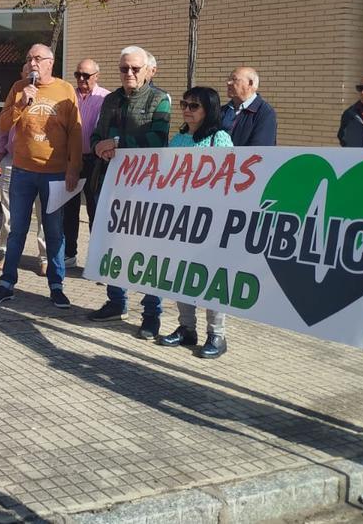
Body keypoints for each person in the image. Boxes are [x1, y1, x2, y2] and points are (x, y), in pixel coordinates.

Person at [0, 44, 81, 310]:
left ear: (51, 62)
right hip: (23, 171)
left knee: (54, 231)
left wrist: (74, 168)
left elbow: (75, 131)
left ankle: (57, 286)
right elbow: (3, 125)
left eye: (38, 58)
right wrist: (20, 102)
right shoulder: (18, 87)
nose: (33, 63)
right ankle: (6, 284)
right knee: (17, 230)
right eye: (29, 59)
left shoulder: (65, 90)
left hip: (55, 173)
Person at [87, 46, 172, 338]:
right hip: (110, 182)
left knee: (148, 250)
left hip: (146, 187)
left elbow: (157, 139)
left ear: (151, 71)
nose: (130, 74)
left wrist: (118, 144)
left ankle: (151, 313)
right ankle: (115, 301)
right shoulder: (111, 99)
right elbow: (97, 133)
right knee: (112, 244)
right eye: (124, 69)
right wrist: (100, 145)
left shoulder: (161, 100)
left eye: (135, 68)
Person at [155, 87, 236, 359]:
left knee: (210, 277)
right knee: (180, 276)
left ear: (208, 110)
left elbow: (229, 179)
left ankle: (217, 334)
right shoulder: (178, 139)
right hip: (180, 219)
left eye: (194, 106)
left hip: (210, 221)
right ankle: (186, 327)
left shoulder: (220, 139)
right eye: (184, 104)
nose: (187, 109)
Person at [0, 61, 46, 275]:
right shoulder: (15, 93)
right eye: (26, 72)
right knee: (9, 210)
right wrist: (1, 151)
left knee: (44, 211)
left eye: (33, 72)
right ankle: (7, 253)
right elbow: (3, 124)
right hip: (13, 160)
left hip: (41, 163)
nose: (30, 76)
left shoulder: (49, 94)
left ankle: (45, 257)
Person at [62, 58, 109, 269]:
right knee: (69, 210)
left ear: (96, 76)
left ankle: (98, 261)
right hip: (72, 159)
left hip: (95, 161)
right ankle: (69, 254)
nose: (81, 79)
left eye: (86, 76)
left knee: (96, 210)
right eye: (77, 74)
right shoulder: (68, 96)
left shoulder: (106, 98)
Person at [222, 66, 278, 146]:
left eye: (234, 79)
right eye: (229, 79)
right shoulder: (222, 111)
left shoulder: (265, 113)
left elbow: (261, 150)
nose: (228, 83)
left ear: (250, 83)